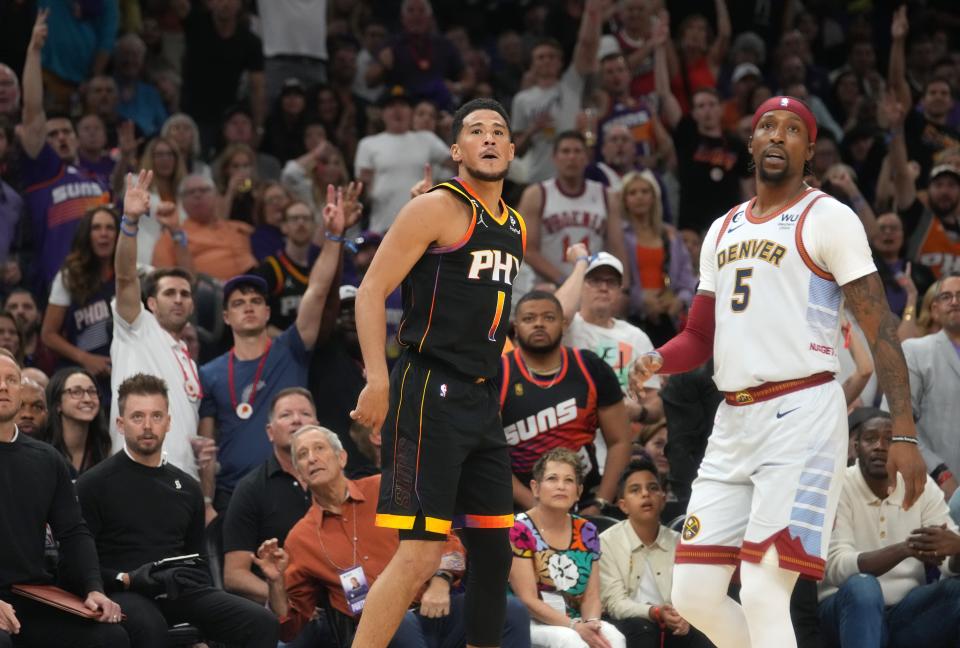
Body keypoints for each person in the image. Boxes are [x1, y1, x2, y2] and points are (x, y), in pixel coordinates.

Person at [629, 96, 926, 648]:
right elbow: (699, 336)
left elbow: (882, 329)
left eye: (792, 129)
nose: (776, 135)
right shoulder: (721, 229)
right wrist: (657, 358)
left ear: (808, 148)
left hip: (802, 411)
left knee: (766, 589)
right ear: (751, 142)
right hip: (735, 418)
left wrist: (904, 429)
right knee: (692, 593)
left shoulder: (830, 217)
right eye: (766, 125)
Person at [349, 97, 525, 648]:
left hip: (479, 396)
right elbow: (371, 291)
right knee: (421, 554)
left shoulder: (514, 224)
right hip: (426, 388)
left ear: (513, 150)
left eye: (499, 131)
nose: (490, 138)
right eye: (477, 131)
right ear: (456, 150)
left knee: (496, 550)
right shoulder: (436, 207)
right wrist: (378, 378)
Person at [254, 425, 531, 648]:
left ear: (342, 458)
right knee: (394, 620)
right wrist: (275, 582)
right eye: (302, 455)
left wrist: (441, 582)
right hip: (376, 632)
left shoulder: (386, 490)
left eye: (319, 449)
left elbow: (447, 539)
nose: (312, 457)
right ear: (299, 474)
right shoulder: (301, 538)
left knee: (510, 611)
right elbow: (290, 628)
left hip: (433, 609)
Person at [76, 373, 278, 648]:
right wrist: (122, 579)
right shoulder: (93, 484)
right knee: (151, 627)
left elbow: (197, 560)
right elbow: (76, 560)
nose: (148, 426)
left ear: (168, 422)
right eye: (137, 417)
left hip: (178, 591)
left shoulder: (188, 487)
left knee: (261, 622)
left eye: (156, 416)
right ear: (121, 424)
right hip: (123, 590)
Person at [199, 181, 357, 518]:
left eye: (257, 301)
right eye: (239, 303)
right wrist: (207, 500)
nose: (249, 307)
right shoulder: (209, 372)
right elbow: (206, 445)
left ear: (269, 312)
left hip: (297, 485)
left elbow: (315, 291)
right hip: (233, 493)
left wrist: (332, 238)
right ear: (226, 317)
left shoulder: (290, 348)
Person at [0, 349, 128, 648]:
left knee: (110, 638)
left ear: (22, 391)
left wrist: (92, 587)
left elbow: (73, 532)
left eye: (11, 380)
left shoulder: (47, 459)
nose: (3, 387)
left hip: (30, 595)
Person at [818, 409, 960, 648]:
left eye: (890, 439)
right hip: (845, 609)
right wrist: (904, 550)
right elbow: (837, 568)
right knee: (863, 587)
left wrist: (956, 549)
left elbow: (947, 565)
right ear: (855, 446)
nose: (880, 447)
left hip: (905, 614)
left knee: (955, 590)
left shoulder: (921, 486)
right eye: (870, 439)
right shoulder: (838, 485)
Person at [109, 170, 210, 481]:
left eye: (184, 295)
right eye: (169, 293)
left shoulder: (186, 357)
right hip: (136, 477)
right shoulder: (137, 328)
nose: (178, 299)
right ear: (150, 303)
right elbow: (126, 277)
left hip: (183, 484)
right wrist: (130, 222)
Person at [499, 290, 629, 512]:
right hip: (520, 509)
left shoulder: (590, 367)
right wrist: (537, 507)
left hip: (586, 502)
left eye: (548, 317)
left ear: (564, 323)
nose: (539, 324)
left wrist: (601, 502)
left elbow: (620, 441)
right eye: (529, 318)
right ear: (516, 326)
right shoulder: (498, 374)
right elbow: (489, 455)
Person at [19, 11, 111, 294]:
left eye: (66, 133)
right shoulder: (43, 170)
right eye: (52, 135)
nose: (60, 138)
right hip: (63, 286)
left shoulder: (97, 178)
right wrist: (34, 52)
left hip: (106, 285)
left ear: (77, 138)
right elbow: (33, 110)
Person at [508, 447, 626, 648]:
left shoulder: (587, 531)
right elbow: (527, 599)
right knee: (570, 641)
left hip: (576, 621)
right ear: (535, 488)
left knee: (613, 638)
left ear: (579, 491)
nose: (561, 486)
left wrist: (591, 625)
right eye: (552, 479)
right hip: (527, 621)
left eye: (569, 480)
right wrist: (575, 627)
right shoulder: (518, 528)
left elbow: (591, 596)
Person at [599, 458, 710, 648]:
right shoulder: (606, 542)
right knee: (643, 629)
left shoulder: (679, 542)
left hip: (672, 622)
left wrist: (685, 618)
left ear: (663, 499)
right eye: (635, 490)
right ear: (623, 505)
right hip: (630, 623)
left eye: (652, 488)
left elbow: (694, 594)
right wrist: (654, 612)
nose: (645, 494)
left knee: (705, 633)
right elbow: (616, 605)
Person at [222, 387, 316, 605]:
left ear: (318, 426)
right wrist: (284, 600)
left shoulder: (336, 481)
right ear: (270, 431)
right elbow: (234, 574)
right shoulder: (250, 489)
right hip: (281, 610)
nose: (297, 420)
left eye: (305, 414)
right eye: (286, 415)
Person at [517, 131, 628, 285]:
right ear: (554, 158)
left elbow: (617, 247)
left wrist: (623, 288)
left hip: (593, 288)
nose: (571, 157)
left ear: (586, 158)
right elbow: (527, 250)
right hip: (550, 287)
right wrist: (564, 281)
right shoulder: (536, 194)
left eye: (577, 151)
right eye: (565, 151)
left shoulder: (606, 195)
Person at [510, 1, 602, 185]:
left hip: (574, 174)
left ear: (561, 62)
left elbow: (586, 46)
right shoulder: (522, 99)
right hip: (538, 176)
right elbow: (514, 150)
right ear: (532, 64)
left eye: (552, 57)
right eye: (541, 57)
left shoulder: (571, 84)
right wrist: (533, 129)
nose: (546, 61)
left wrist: (592, 13)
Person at [40, 206, 118, 397]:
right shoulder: (68, 276)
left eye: (110, 228)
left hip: (122, 372)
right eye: (97, 228)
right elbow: (48, 335)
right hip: (81, 373)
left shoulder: (134, 274)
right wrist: (85, 358)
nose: (104, 234)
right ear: (86, 235)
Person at [354, 85, 451, 234]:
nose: (397, 111)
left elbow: (458, 164)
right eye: (391, 106)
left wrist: (452, 133)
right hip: (381, 229)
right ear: (382, 113)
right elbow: (363, 194)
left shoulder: (426, 139)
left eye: (403, 105)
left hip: (422, 228)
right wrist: (365, 187)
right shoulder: (368, 144)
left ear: (411, 112)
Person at [901, 274, 960, 502]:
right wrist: (939, 472)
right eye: (947, 296)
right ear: (935, 309)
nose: (954, 302)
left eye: (959, 296)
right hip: (935, 484)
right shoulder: (915, 352)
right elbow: (898, 422)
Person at [150, 173, 257, 281]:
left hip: (254, 286)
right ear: (181, 201)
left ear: (216, 196)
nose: (197, 195)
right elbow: (162, 282)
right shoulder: (171, 237)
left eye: (204, 190)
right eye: (190, 192)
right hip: (210, 292)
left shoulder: (238, 228)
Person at [253, 201, 320, 337]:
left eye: (306, 219)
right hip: (278, 348)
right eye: (294, 219)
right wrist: (292, 343)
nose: (301, 223)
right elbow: (257, 322)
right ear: (284, 227)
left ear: (314, 226)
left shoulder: (321, 267)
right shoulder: (270, 268)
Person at [44, 367, 111, 478]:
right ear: (57, 404)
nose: (87, 399)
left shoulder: (104, 448)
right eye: (76, 392)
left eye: (92, 391)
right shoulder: (41, 450)